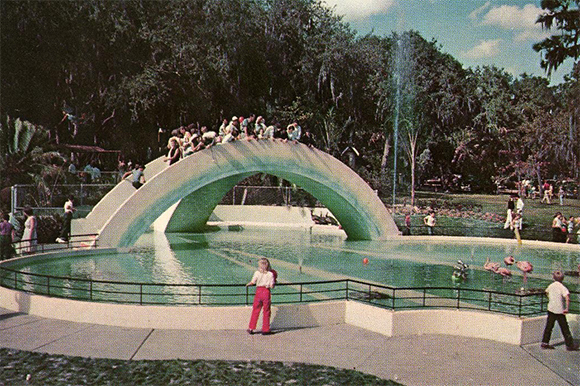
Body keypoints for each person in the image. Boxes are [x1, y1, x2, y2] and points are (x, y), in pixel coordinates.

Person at [541, 270, 579, 351]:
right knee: (565, 328)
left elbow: (546, 292)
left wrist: (551, 299)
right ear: (562, 279)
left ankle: (545, 342)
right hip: (559, 310)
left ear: (553, 278)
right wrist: (567, 308)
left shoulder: (551, 285)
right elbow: (567, 298)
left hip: (551, 308)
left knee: (549, 326)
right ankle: (569, 345)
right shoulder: (562, 287)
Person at [246, 257, 275, 335]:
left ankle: (251, 328)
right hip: (266, 291)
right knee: (266, 311)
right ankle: (265, 329)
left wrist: (248, 284)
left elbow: (252, 282)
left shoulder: (257, 273)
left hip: (258, 291)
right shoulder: (270, 274)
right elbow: (272, 286)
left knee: (255, 310)